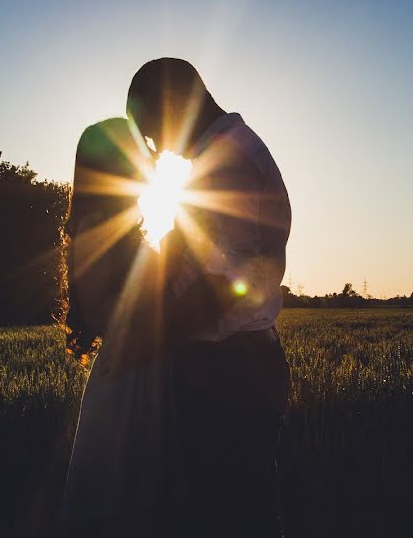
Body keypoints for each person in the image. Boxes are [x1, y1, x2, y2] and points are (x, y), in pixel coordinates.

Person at [127, 58, 292, 538]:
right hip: (234, 369)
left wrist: (147, 338)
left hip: (226, 374)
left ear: (175, 105)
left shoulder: (227, 161)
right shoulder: (226, 155)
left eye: (152, 130)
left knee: (225, 516)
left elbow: (227, 286)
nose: (156, 148)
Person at [59, 118, 183, 538]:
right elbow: (98, 309)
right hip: (127, 375)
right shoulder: (95, 224)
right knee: (120, 507)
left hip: (140, 370)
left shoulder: (124, 223)